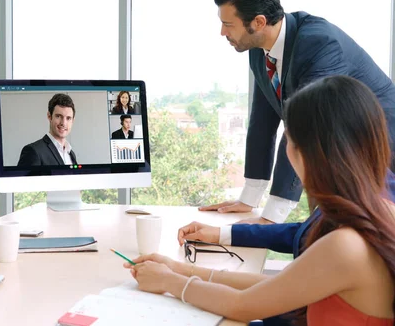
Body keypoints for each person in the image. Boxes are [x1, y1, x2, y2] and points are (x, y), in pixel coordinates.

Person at [126, 76, 395, 325]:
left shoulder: (346, 245)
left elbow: (244, 306)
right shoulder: (380, 212)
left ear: (310, 153)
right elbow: (281, 287)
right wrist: (178, 270)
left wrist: (171, 282)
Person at [202, 0, 395, 225]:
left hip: (383, 155)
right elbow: (262, 122)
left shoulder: (318, 43)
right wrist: (249, 198)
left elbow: (303, 128)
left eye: (228, 24)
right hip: (344, 159)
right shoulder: (259, 48)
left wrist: (271, 216)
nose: (222, 33)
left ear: (258, 22)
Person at [17, 93, 78, 166]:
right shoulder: (33, 151)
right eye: (58, 116)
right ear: (49, 116)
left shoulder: (71, 154)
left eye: (68, 118)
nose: (63, 123)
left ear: (73, 121)